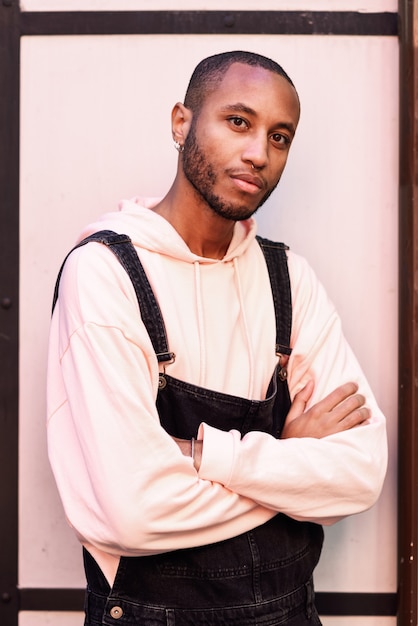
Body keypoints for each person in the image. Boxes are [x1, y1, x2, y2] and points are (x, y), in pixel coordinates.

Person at [47, 50, 387, 625]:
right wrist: (289, 457)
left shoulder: (289, 280)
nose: (259, 153)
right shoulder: (105, 273)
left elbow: (359, 476)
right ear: (181, 122)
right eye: (238, 122)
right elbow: (132, 509)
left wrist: (198, 453)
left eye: (280, 137)